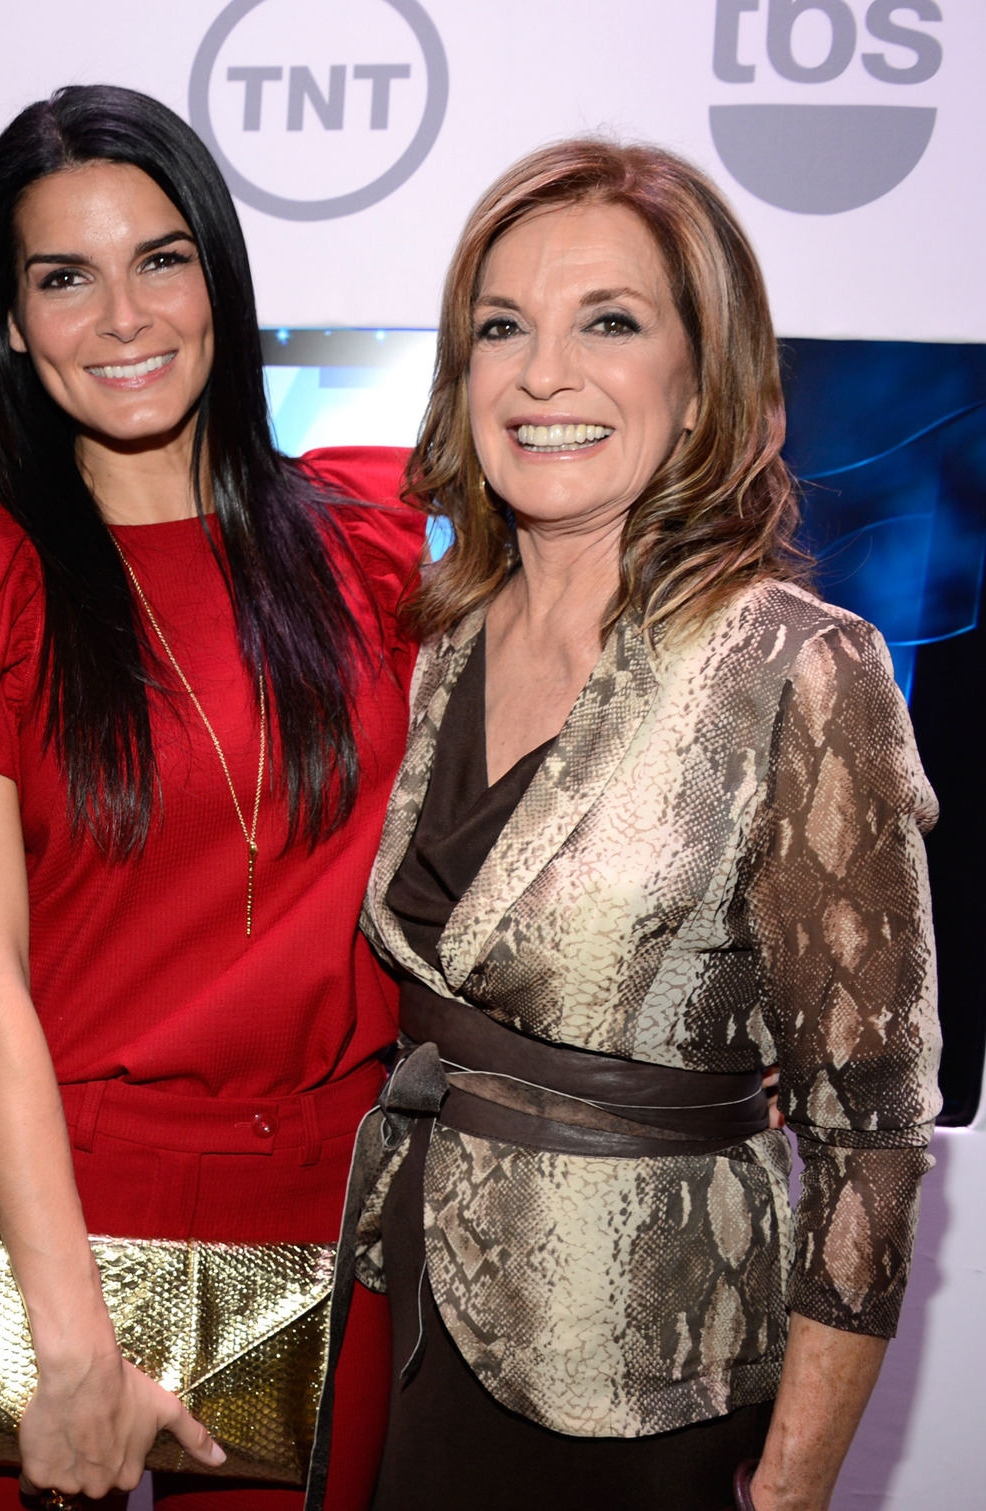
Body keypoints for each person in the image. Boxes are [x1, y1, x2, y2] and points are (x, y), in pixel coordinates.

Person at [344, 139, 941, 1511]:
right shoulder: (440, 645)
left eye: (608, 321)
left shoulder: (801, 668)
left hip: (644, 1398)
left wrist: (784, 1492)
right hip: (415, 1337)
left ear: (701, 381)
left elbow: (870, 1142)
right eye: (503, 328)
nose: (543, 373)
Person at [0, 86, 424, 1511]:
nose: (122, 316)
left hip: (311, 1205)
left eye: (160, 259)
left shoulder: (372, 546)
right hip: (26, 1210)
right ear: (7, 318)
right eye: (64, 277)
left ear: (220, 280)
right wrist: (68, 1349)